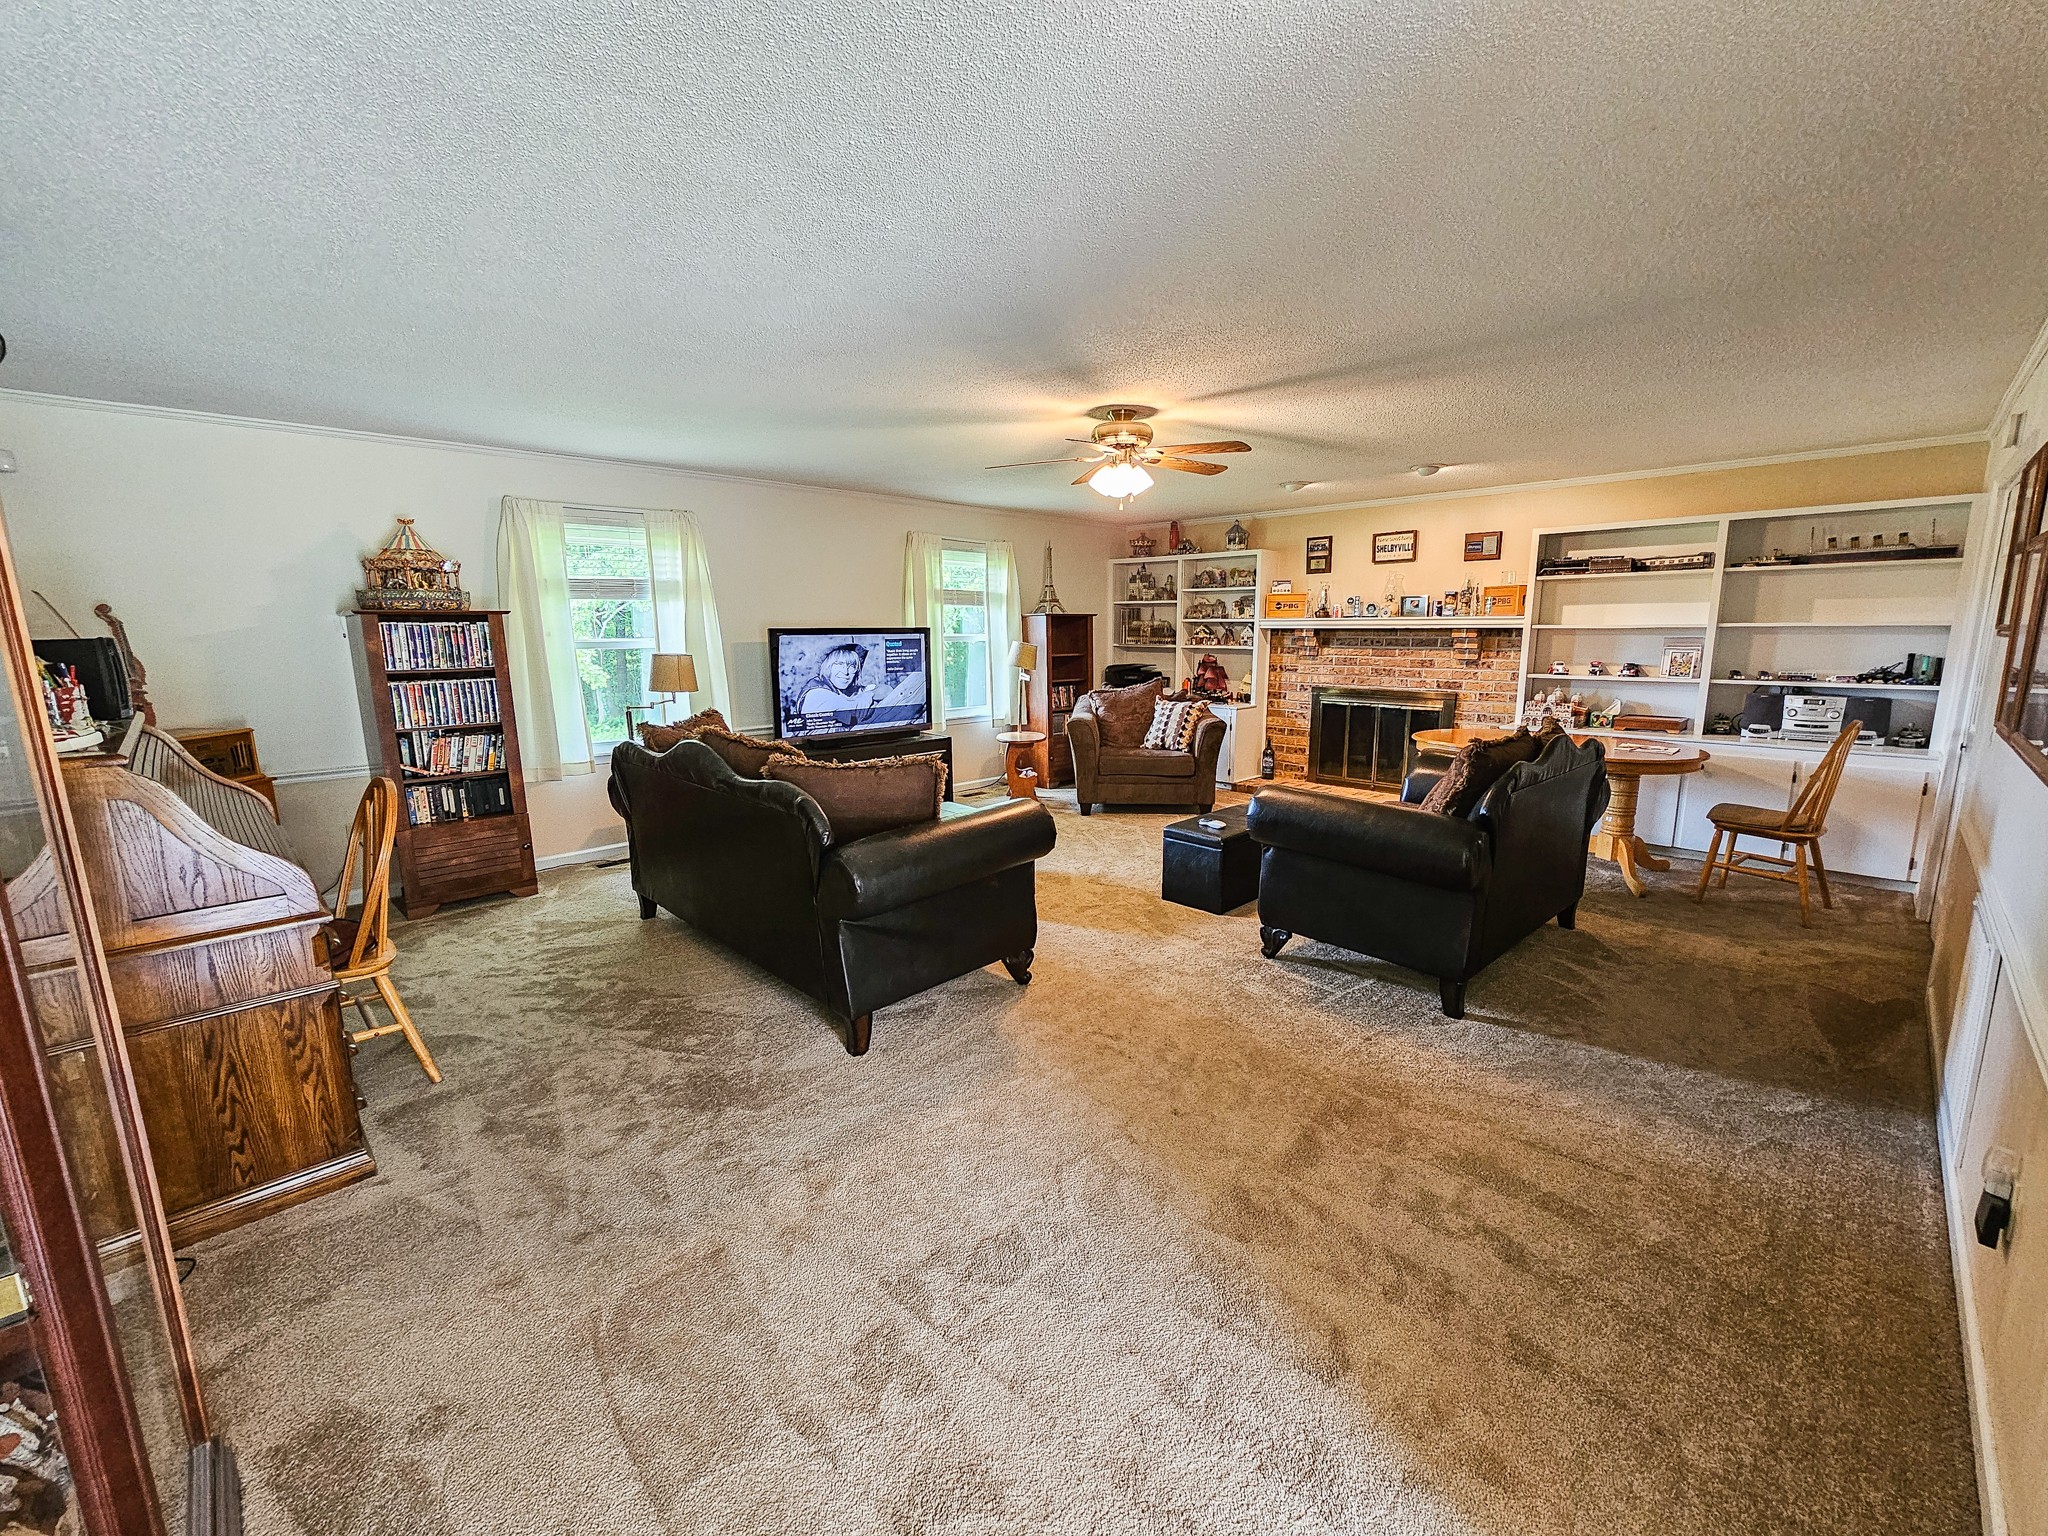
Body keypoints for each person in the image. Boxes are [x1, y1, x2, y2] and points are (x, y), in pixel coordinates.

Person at [793, 643, 881, 728]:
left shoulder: (843, 689)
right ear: (827, 666)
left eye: (852, 666)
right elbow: (854, 712)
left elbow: (886, 690)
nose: (845, 672)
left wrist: (870, 694)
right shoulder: (816, 693)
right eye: (839, 664)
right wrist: (867, 697)